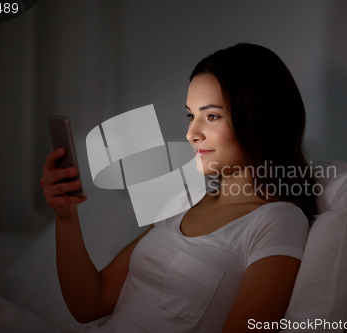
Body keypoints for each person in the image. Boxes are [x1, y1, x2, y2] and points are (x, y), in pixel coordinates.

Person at [40, 43, 317, 333]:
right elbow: (90, 304)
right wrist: (66, 216)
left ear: (259, 120)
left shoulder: (278, 220)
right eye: (191, 115)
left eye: (211, 116)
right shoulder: (184, 200)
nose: (191, 133)